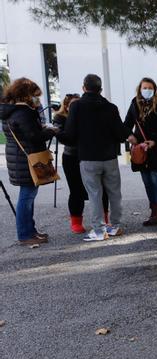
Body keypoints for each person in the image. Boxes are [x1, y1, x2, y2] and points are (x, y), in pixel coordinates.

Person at [57, 74, 135, 242]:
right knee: (114, 193)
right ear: (100, 89)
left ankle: (99, 230)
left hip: (88, 158)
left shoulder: (77, 106)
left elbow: (69, 136)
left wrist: (56, 133)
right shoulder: (111, 107)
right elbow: (120, 133)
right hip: (110, 158)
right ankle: (115, 226)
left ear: (84, 87)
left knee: (94, 194)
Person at [0, 78, 57, 245]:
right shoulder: (23, 112)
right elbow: (33, 136)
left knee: (28, 195)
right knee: (27, 196)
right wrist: (50, 132)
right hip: (27, 158)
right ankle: (25, 234)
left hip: (19, 157)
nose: (36, 99)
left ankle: (30, 230)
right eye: (34, 95)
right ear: (26, 95)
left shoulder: (10, 110)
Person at [123, 77, 157, 227]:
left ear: (154, 89)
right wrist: (130, 136)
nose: (147, 90)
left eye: (150, 88)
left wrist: (156, 141)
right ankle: (153, 213)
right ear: (139, 89)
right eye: (144, 87)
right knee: (147, 181)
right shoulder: (135, 104)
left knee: (155, 179)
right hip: (140, 150)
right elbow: (126, 125)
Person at [52, 93, 109, 234]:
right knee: (76, 190)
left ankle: (105, 220)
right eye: (73, 105)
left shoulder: (88, 116)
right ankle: (76, 222)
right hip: (72, 158)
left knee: (101, 189)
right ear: (66, 106)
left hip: (92, 156)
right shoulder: (60, 118)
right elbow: (64, 138)